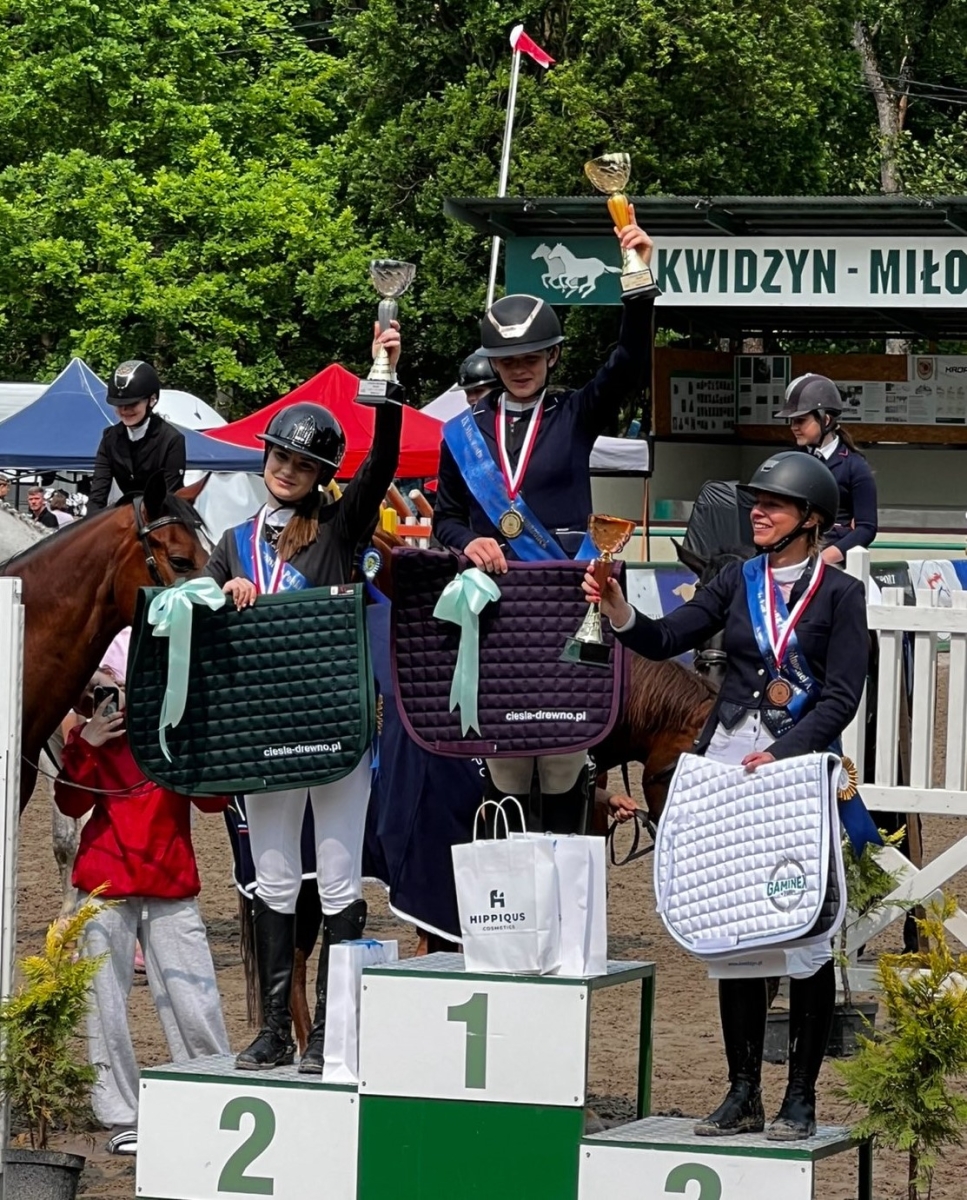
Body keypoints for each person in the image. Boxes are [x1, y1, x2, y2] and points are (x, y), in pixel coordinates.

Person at [584, 450, 875, 1141]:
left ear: (809, 518)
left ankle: (798, 1097)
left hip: (794, 772)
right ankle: (741, 1090)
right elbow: (665, 637)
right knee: (733, 931)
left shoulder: (840, 595)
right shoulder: (737, 578)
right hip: (725, 766)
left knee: (804, 934)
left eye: (772, 504)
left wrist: (783, 751)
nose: (758, 512)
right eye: (757, 503)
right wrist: (618, 608)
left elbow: (841, 696)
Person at [204, 322, 403, 1073]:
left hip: (335, 722)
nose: (287, 470)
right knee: (274, 877)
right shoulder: (232, 541)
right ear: (265, 459)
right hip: (264, 727)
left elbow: (382, 463)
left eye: (303, 463)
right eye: (280, 457)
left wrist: (384, 378)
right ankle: (273, 1031)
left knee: (340, 874)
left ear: (322, 474)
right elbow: (199, 618)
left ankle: (330, 1034)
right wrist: (221, 590)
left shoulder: (341, 529)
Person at [432, 210, 658, 835]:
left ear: (553, 355)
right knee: (506, 758)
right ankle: (506, 885)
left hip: (568, 599)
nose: (520, 367)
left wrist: (638, 283)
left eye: (531, 355)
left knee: (563, 755)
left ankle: (565, 876)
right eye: (507, 358)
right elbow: (446, 518)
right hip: (495, 606)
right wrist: (468, 541)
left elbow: (629, 360)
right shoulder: (461, 434)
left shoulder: (575, 414)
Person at [54, 665, 230, 1156]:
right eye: (104, 690)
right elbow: (70, 804)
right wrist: (86, 743)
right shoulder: (90, 735)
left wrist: (192, 738)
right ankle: (121, 1115)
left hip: (169, 880)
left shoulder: (173, 731)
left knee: (195, 1000)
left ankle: (210, 1094)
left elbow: (215, 801)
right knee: (103, 1004)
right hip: (106, 880)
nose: (115, 699)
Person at [776, 373, 877, 565]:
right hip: (791, 557)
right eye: (792, 421)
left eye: (800, 420)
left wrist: (823, 560)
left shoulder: (855, 466)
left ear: (826, 420)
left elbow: (866, 528)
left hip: (833, 563)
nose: (793, 427)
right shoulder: (788, 461)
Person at [87, 360, 186, 512]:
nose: (124, 410)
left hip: (164, 514)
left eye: (132, 404)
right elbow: (97, 495)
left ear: (152, 400)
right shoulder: (109, 438)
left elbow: (169, 495)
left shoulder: (171, 440)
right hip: (128, 514)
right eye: (119, 405)